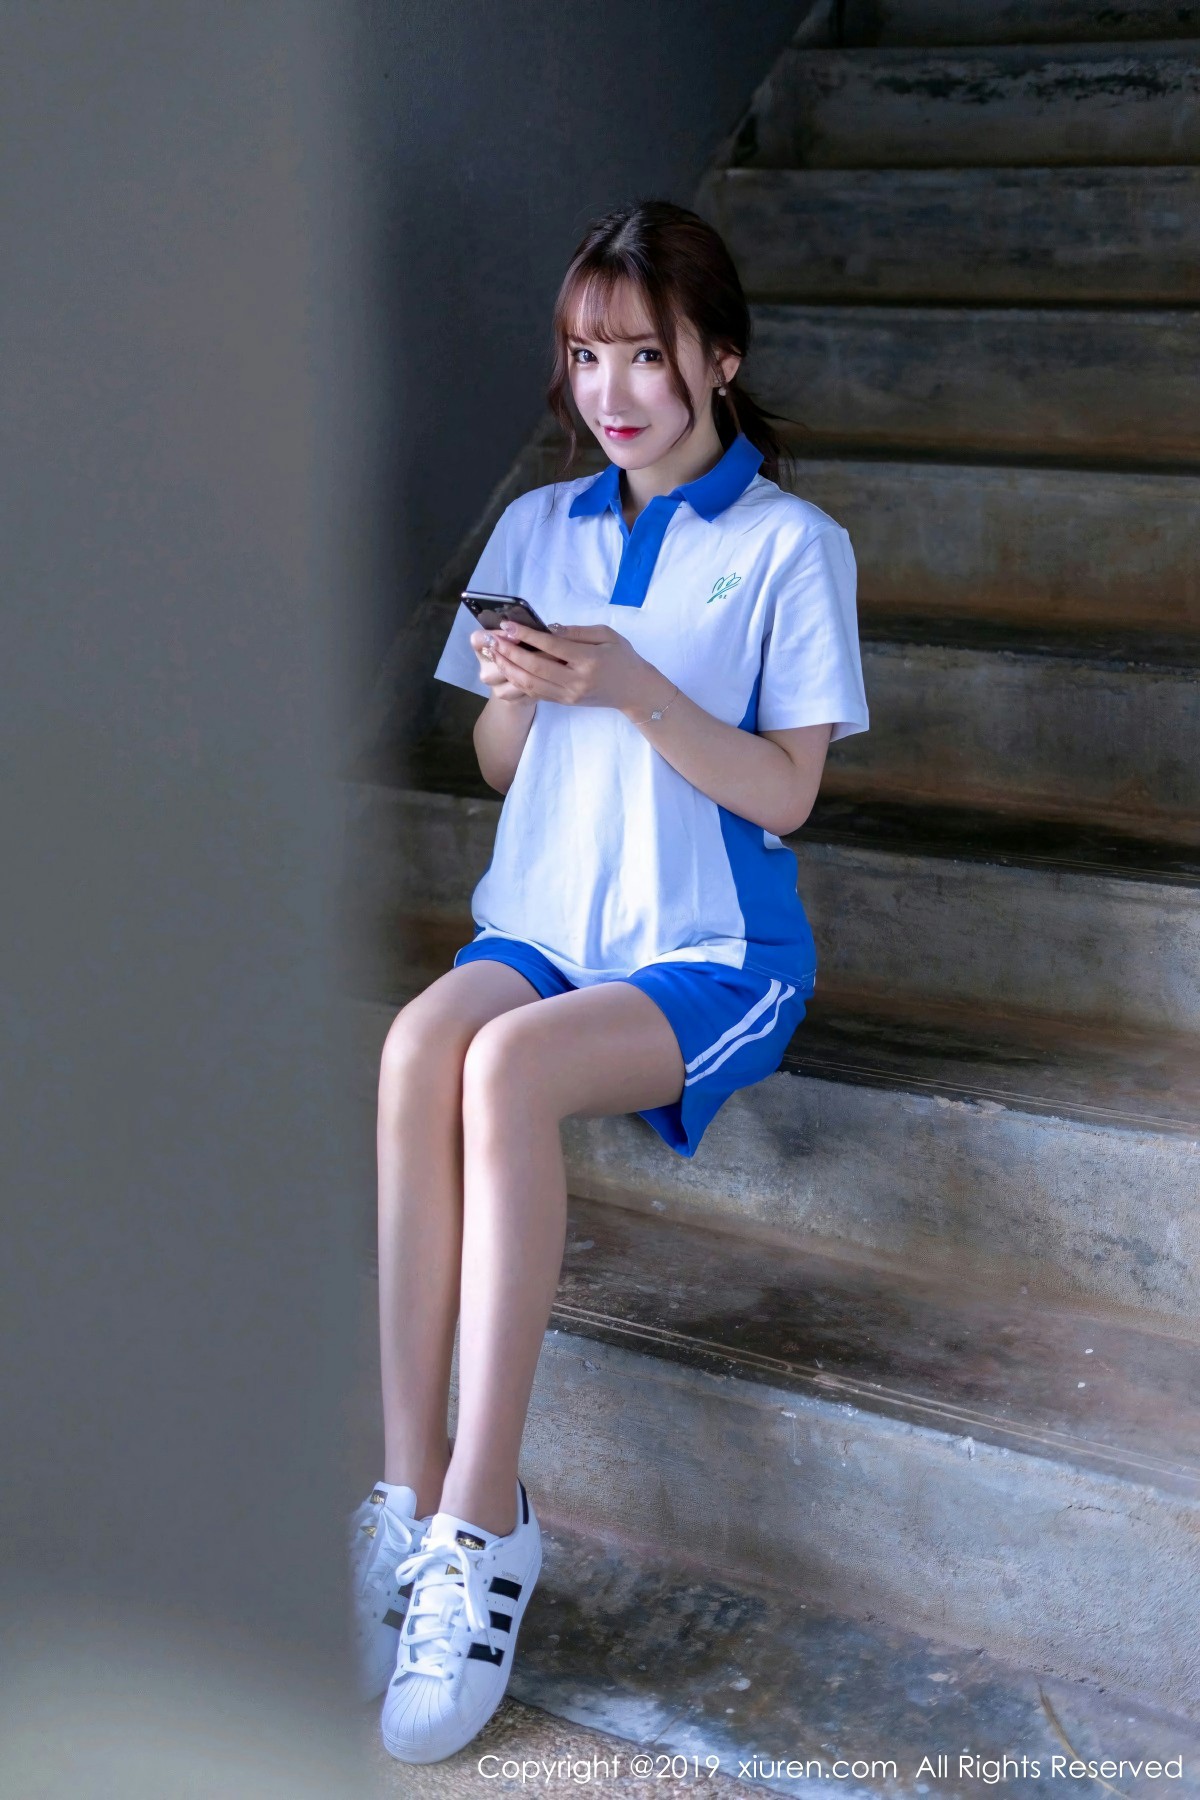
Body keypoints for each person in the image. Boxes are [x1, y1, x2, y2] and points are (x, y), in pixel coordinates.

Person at [347, 198, 869, 1765]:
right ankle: (400, 1496)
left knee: (503, 1071)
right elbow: (503, 765)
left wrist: (634, 684)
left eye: (646, 353)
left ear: (721, 357)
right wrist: (521, 692)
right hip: (547, 924)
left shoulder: (789, 548)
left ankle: (484, 1521)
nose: (613, 390)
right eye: (586, 356)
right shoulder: (539, 527)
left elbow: (787, 794)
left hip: (712, 951)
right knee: (420, 1044)